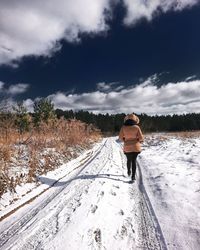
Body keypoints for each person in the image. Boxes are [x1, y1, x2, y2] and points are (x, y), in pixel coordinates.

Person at [119, 113, 144, 182]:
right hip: (136, 147)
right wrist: (138, 140)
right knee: (134, 161)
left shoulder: (123, 127)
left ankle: (128, 171)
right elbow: (141, 138)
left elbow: (120, 138)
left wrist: (125, 140)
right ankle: (133, 176)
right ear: (135, 119)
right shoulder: (137, 127)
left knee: (128, 160)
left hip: (127, 146)